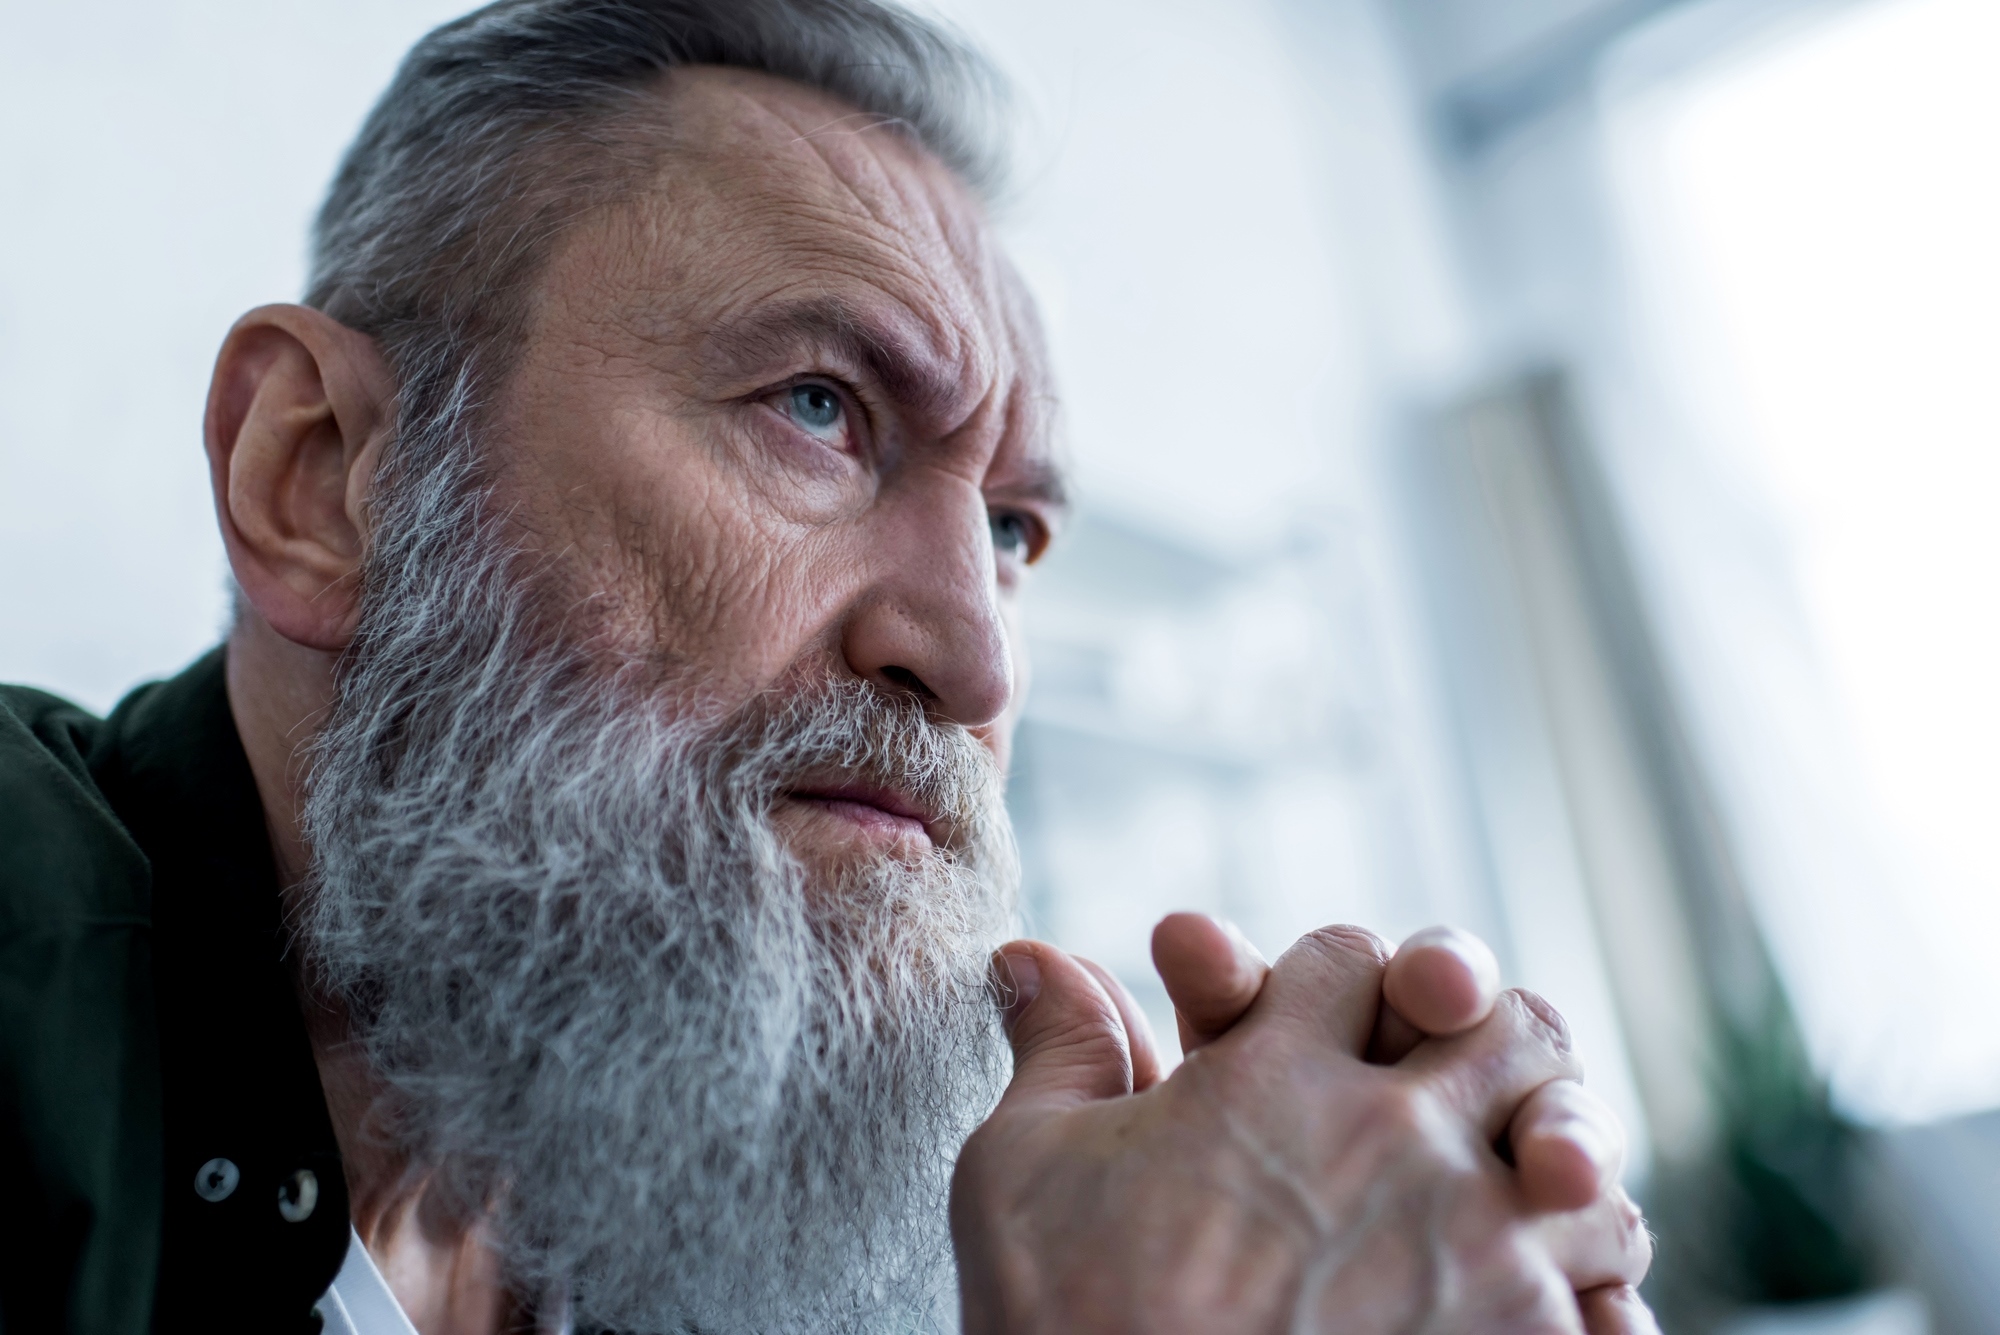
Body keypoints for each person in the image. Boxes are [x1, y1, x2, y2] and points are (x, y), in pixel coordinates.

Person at [0, 1, 1656, 1331]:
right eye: (818, 407)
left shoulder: (714, 1225)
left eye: (1012, 531)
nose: (974, 659)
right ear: (320, 480)